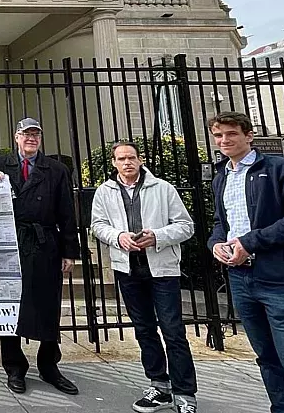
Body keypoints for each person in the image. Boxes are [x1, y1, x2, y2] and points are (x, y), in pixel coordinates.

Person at [206, 112, 284, 413]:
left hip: (281, 279)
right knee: (267, 359)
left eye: (231, 134)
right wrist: (216, 244)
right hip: (241, 278)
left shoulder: (279, 169)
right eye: (219, 135)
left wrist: (249, 243)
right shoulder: (221, 176)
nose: (224, 140)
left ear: (249, 135)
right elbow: (222, 223)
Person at [91, 141, 198, 413]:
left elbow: (186, 226)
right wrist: (118, 237)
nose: (127, 163)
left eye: (131, 157)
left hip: (161, 268)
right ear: (114, 163)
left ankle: (185, 393)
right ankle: (159, 385)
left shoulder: (163, 189)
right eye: (121, 158)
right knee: (144, 329)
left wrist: (157, 236)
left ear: (140, 160)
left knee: (173, 331)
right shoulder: (105, 192)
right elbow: (98, 226)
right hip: (128, 268)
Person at [0, 117, 80, 396]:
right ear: (16, 137)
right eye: (26, 134)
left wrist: (69, 251)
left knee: (47, 304)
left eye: (36, 135)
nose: (32, 139)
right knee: (10, 305)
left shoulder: (56, 169)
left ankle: (49, 365)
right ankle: (14, 367)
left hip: (44, 243)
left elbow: (66, 211)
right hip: (10, 243)